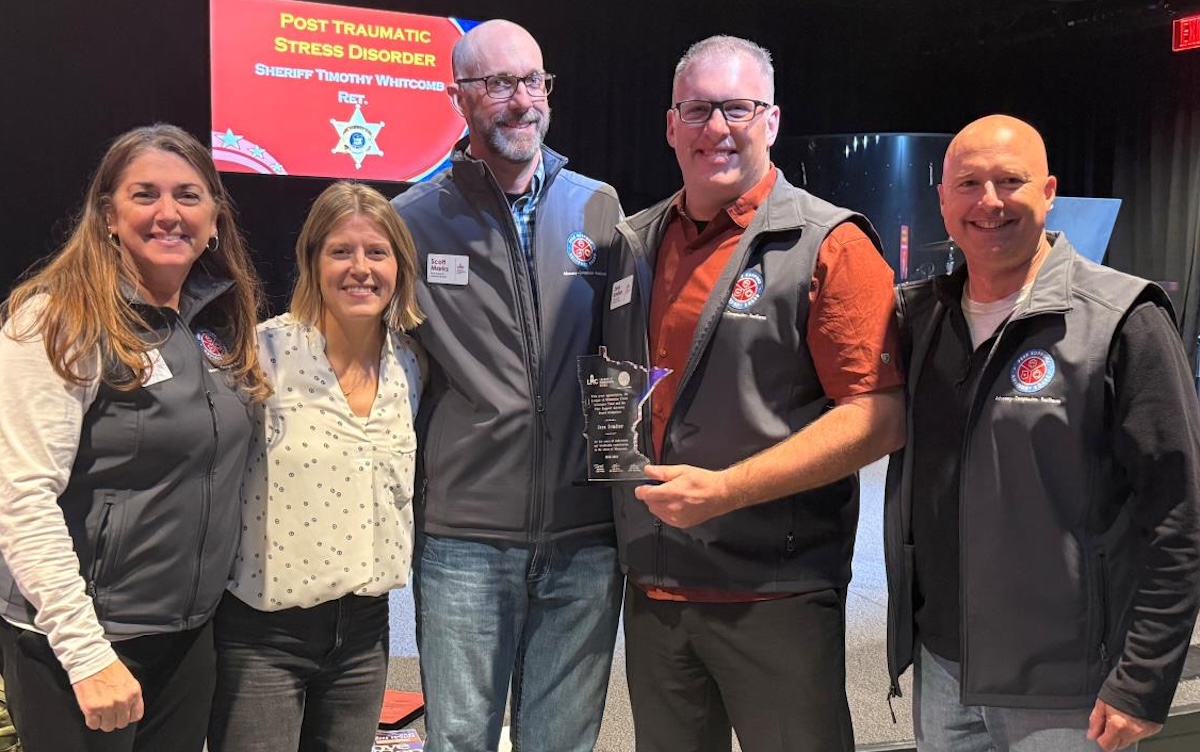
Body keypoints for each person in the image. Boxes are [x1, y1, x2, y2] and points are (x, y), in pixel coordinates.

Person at [602, 35, 905, 752]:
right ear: (671, 125)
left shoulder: (831, 245)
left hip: (775, 592)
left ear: (771, 121)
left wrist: (727, 491)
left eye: (737, 108)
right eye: (697, 109)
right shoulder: (632, 243)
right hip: (656, 590)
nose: (716, 127)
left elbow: (878, 416)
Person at [884, 114, 1200, 752]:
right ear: (942, 200)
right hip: (943, 670)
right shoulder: (921, 318)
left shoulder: (1122, 319)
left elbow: (1179, 510)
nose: (989, 202)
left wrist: (1143, 678)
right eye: (968, 184)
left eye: (1011, 181)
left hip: (1068, 687)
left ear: (1049, 191)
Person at [390, 18, 624, 752]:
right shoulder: (409, 221)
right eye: (497, 83)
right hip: (463, 539)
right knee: (460, 739)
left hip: (586, 539)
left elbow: (625, 357)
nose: (521, 100)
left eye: (533, 81)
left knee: (562, 743)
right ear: (458, 97)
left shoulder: (599, 207)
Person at [0, 123, 267, 752]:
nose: (168, 213)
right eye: (145, 194)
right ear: (108, 216)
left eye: (188, 195)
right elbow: (22, 499)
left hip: (185, 638)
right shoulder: (57, 319)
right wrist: (87, 654)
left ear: (215, 220)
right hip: (82, 643)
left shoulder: (219, 322)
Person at [207, 182, 424, 751]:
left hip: (365, 634)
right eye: (340, 251)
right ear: (312, 261)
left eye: (377, 252)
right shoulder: (260, 355)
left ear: (400, 266)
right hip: (264, 635)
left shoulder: (410, 365)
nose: (361, 268)